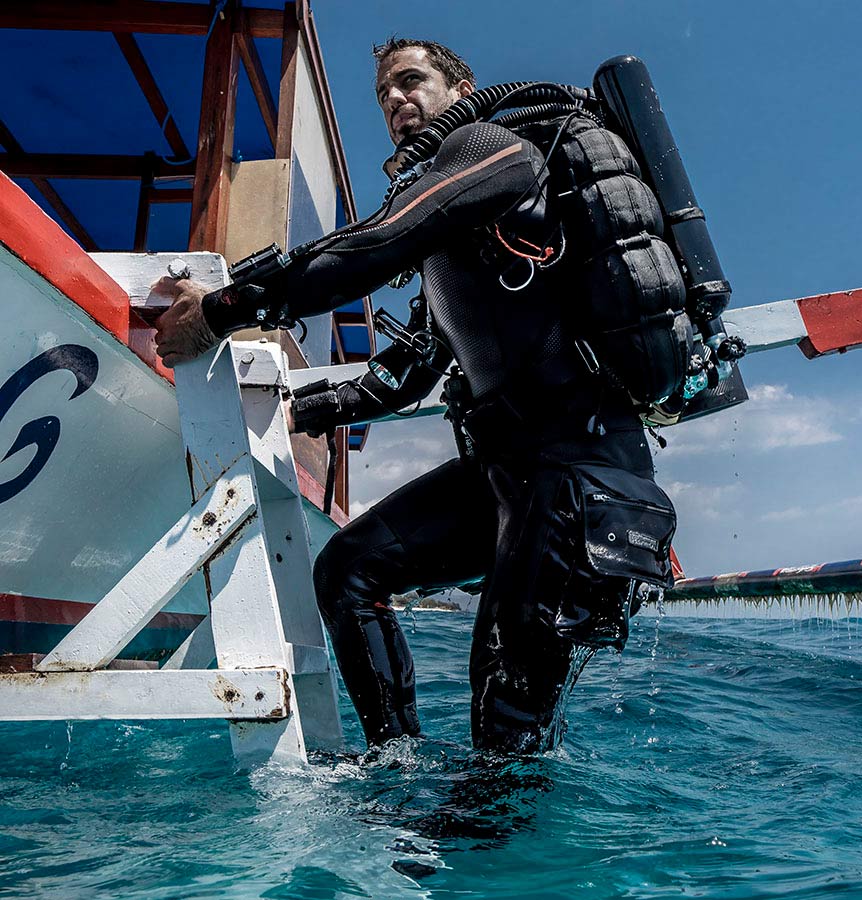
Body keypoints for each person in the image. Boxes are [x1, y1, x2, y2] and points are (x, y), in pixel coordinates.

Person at [154, 38, 675, 752]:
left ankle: (485, 822)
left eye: (410, 80)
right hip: (506, 474)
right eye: (384, 94)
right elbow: (411, 369)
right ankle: (395, 771)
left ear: (461, 90)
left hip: (580, 477)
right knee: (349, 570)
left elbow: (377, 243)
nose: (396, 100)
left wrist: (222, 309)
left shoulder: (496, 150)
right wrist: (298, 411)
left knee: (505, 717)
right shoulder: (463, 236)